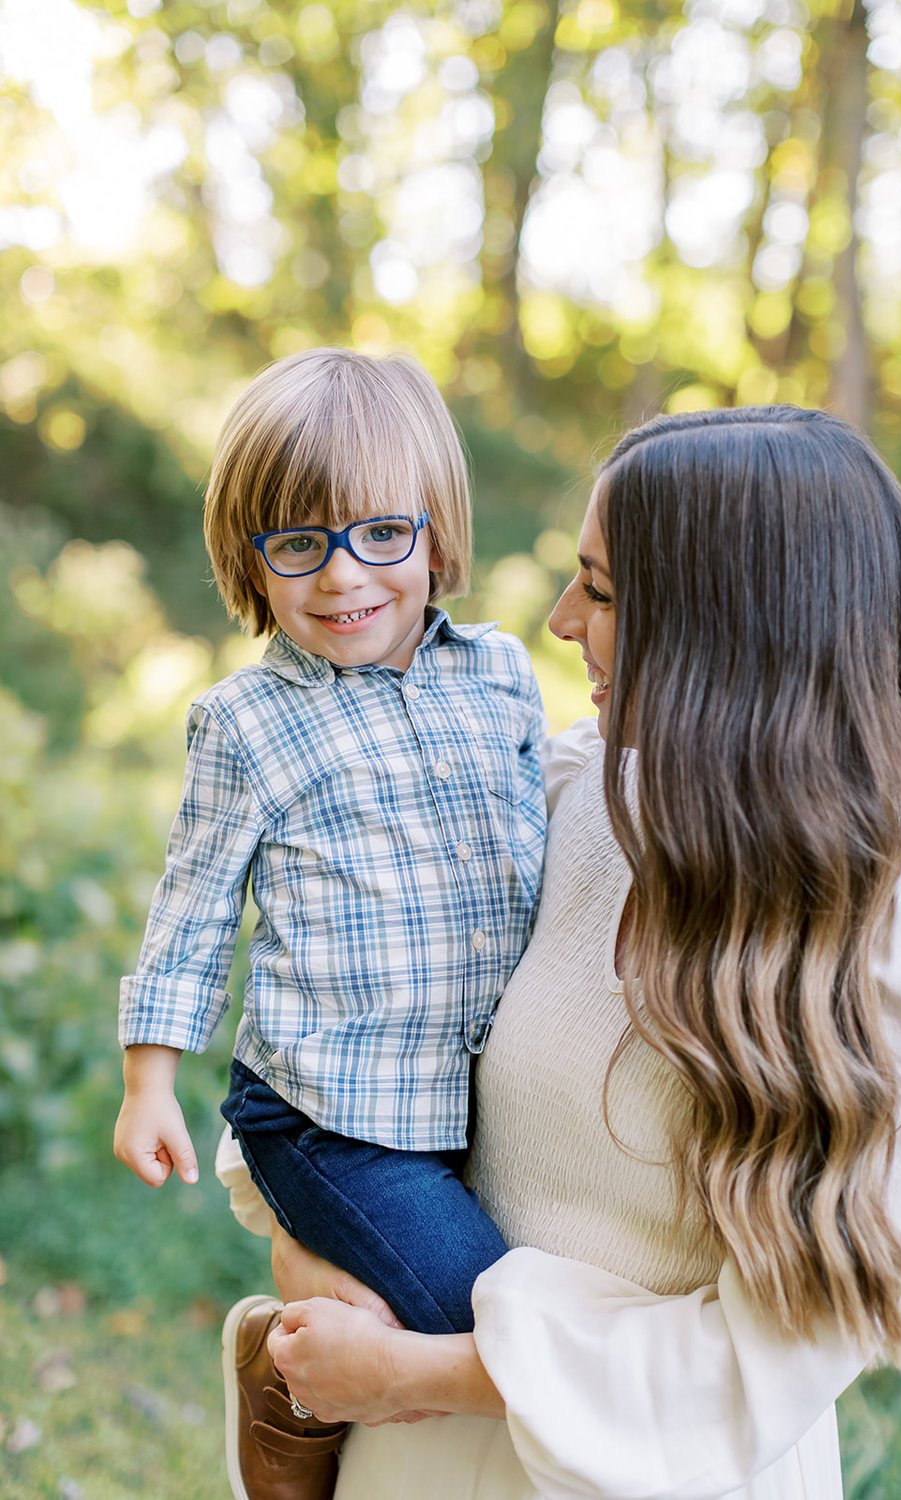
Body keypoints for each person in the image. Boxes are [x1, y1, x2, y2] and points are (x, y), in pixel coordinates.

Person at [220, 404, 901, 1500]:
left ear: (730, 626)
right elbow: (330, 1050)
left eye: (601, 591)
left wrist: (414, 1369)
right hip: (411, 1458)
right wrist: (319, 1281)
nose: (555, 621)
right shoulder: (559, 789)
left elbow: (771, 1360)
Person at [113, 350, 548, 1373]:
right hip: (331, 1115)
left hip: (474, 1091)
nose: (345, 575)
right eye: (301, 544)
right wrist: (148, 1081)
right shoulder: (248, 722)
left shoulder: (501, 674)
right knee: (486, 1319)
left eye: (382, 532)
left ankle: (326, 1366)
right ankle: (291, 1341)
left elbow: (552, 839)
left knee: (511, 1302)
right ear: (248, 556)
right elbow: (193, 910)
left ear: (435, 529)